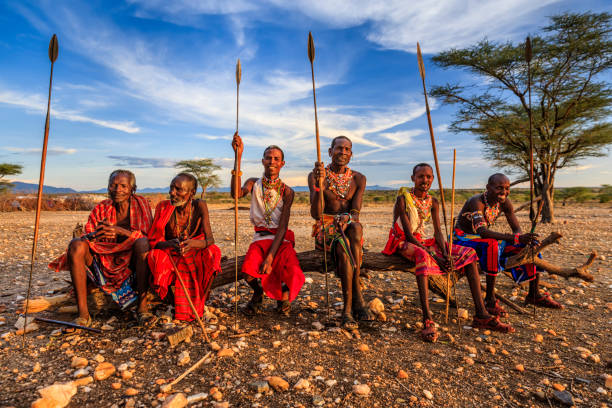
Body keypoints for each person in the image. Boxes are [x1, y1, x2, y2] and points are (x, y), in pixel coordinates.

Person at [382, 164, 513, 341]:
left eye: (428, 177)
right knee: (423, 256)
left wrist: (446, 254)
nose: (425, 180)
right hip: (404, 241)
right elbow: (407, 234)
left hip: (428, 242)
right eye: (421, 177)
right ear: (413, 178)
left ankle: (481, 314)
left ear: (433, 179)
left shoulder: (433, 201)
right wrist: (435, 255)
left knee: (468, 254)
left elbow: (437, 233)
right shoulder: (403, 200)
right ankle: (427, 318)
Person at [49, 170, 153, 326]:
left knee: (143, 243)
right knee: (76, 245)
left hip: (132, 262)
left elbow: (147, 236)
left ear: (133, 189)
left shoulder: (141, 204)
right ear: (108, 187)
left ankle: (142, 309)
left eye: (123, 186)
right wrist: (99, 233)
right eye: (113, 185)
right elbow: (88, 235)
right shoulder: (102, 207)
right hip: (102, 260)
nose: (118, 190)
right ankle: (83, 315)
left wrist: (120, 231)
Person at [454, 173, 563, 317]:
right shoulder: (477, 202)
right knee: (492, 244)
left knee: (529, 246)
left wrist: (522, 239)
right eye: (499, 188)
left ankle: (534, 294)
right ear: (488, 188)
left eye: (507, 188)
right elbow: (482, 231)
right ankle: (490, 299)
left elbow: (516, 229)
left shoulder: (505, 202)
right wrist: (515, 238)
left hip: (481, 239)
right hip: (463, 239)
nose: (504, 192)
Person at [230, 133, 304, 316]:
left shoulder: (288, 191)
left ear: (282, 164)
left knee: (288, 269)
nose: (272, 161)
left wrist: (270, 257)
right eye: (268, 158)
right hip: (260, 237)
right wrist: (238, 157)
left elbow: (283, 227)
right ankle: (258, 292)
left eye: (276, 159)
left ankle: (282, 299)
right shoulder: (253, 183)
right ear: (262, 161)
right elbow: (235, 194)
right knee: (248, 271)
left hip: (280, 239)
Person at [308, 135, 372, 330]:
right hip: (326, 226)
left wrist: (347, 219)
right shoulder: (316, 175)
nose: (342, 152)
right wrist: (320, 186)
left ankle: (349, 309)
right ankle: (353, 305)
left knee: (356, 228)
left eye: (346, 149)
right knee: (346, 247)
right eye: (338, 148)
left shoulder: (358, 178)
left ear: (351, 154)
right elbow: (315, 214)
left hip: (350, 227)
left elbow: (355, 212)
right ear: (330, 152)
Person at [147, 173, 221, 321]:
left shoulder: (200, 206)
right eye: (171, 188)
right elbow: (154, 242)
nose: (172, 193)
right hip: (171, 253)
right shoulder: (163, 207)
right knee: (155, 256)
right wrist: (170, 244)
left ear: (192, 193)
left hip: (193, 250)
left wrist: (193, 243)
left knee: (213, 253)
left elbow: (210, 239)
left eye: (178, 189)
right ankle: (171, 303)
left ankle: (201, 303)